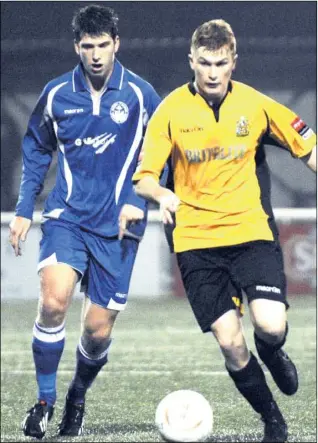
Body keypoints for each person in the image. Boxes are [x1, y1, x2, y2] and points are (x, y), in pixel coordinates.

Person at [129, 19, 317, 443]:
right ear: (191, 61)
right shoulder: (171, 111)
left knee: (269, 326)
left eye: (220, 63)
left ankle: (272, 351)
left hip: (250, 233)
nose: (212, 72)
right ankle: (273, 420)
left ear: (234, 61)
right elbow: (142, 178)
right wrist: (162, 194)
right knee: (231, 343)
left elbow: (309, 147)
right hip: (196, 243)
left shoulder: (256, 105)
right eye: (204, 63)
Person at [9, 5, 162, 439]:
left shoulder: (140, 94)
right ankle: (44, 402)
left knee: (96, 332)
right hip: (66, 217)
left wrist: (140, 197)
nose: (95, 55)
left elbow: (161, 150)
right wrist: (24, 209)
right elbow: (38, 148)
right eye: (87, 46)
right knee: (54, 301)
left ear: (117, 43)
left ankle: (77, 392)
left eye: (103, 45)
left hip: (119, 228)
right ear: (77, 47)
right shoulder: (57, 94)